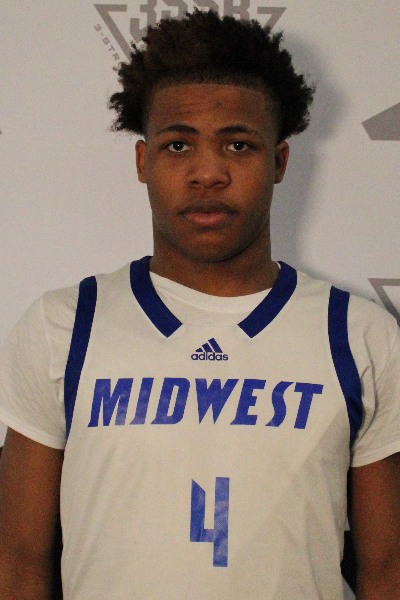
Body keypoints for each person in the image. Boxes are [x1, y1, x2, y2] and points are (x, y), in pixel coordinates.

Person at [0, 9, 400, 600]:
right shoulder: (64, 325)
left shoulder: (358, 334)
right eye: (178, 144)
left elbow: (386, 570)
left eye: (238, 144)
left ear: (279, 162)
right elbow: (19, 562)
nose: (208, 173)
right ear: (143, 162)